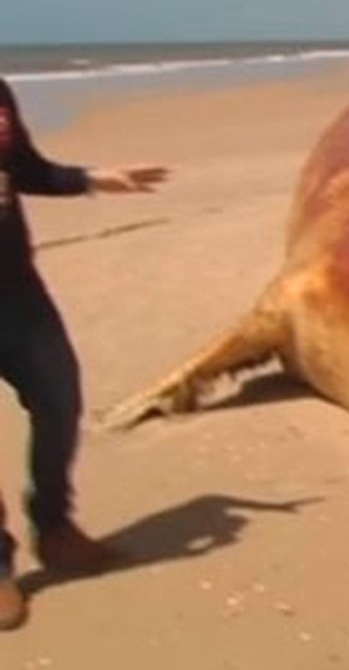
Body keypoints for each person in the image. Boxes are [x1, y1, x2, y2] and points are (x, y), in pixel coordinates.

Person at [0, 78, 168, 630]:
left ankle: (53, 524)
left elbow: (27, 169)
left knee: (60, 399)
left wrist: (94, 179)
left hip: (16, 292)